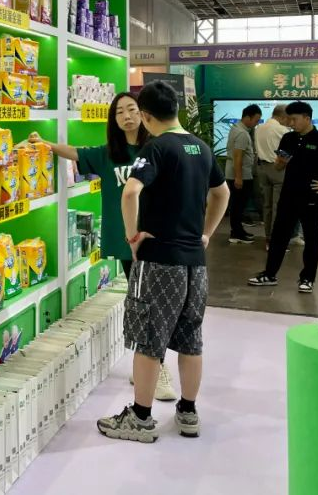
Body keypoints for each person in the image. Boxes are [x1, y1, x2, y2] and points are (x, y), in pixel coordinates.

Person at [95, 81, 229, 444]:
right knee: (191, 338)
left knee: (149, 339)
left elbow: (130, 191)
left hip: (159, 261)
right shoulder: (200, 147)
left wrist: (132, 236)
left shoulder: (155, 147)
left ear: (147, 116)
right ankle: (188, 411)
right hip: (195, 262)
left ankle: (140, 418)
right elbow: (221, 193)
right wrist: (206, 234)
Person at [30, 92, 177, 402]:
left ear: (143, 114)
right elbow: (76, 152)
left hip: (155, 238)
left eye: (132, 109)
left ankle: (157, 367)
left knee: (152, 303)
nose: (127, 116)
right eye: (119, 112)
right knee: (138, 301)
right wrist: (45, 144)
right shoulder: (110, 153)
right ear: (113, 120)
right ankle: (146, 366)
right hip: (126, 239)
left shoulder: (157, 148)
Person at [248, 101, 318, 293]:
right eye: (288, 119)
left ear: (307, 118)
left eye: (294, 119)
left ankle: (307, 278)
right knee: (279, 236)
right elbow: (278, 166)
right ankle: (269, 274)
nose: (290, 123)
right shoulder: (287, 138)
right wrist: (281, 162)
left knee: (311, 238)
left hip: (310, 197)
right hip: (288, 195)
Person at [254, 104, 291, 250]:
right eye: (288, 119)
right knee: (278, 206)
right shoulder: (282, 130)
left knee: (267, 206)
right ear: (283, 117)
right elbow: (285, 154)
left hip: (261, 168)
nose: (290, 122)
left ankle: (268, 240)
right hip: (278, 169)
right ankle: (277, 241)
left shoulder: (259, 128)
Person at [225, 104, 262, 244]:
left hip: (238, 173)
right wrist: (239, 177)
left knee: (238, 205)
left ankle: (238, 231)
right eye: (256, 120)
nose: (256, 123)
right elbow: (238, 156)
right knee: (238, 205)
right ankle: (236, 233)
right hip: (241, 175)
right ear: (247, 117)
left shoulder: (237, 128)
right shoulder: (242, 133)